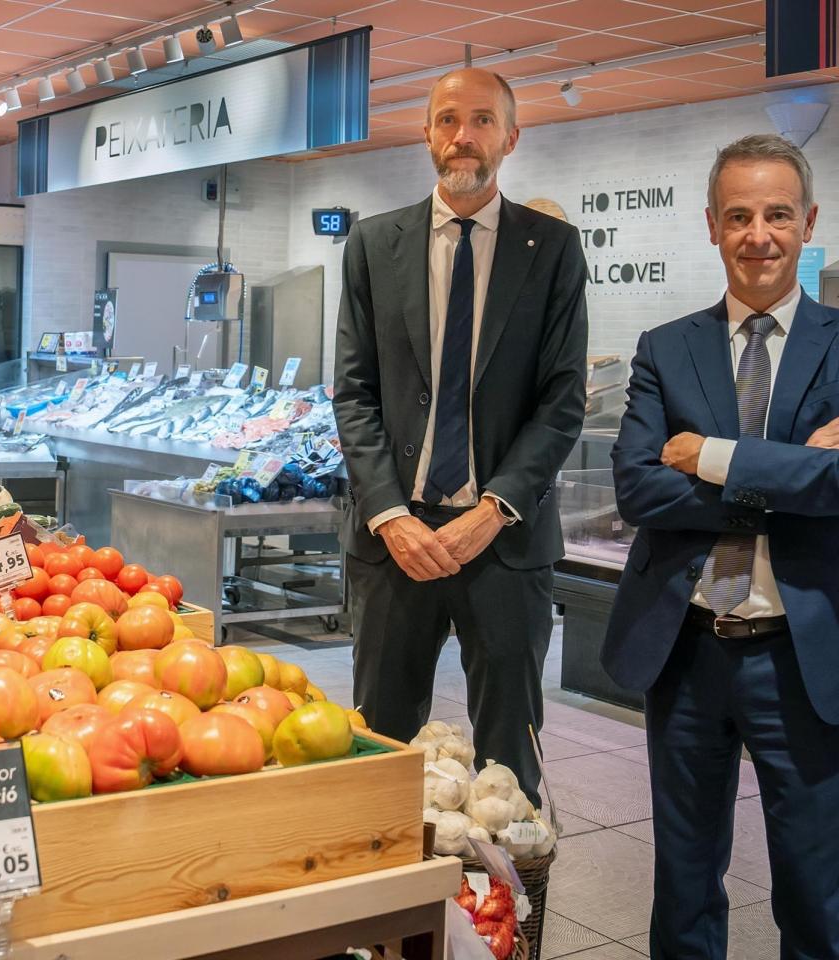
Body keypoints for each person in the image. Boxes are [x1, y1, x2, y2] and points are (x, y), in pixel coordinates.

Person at [603, 134, 839, 958]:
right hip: (686, 652)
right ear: (711, 226)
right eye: (739, 216)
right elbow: (638, 489)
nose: (757, 234)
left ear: (808, 222)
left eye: (776, 214)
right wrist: (797, 471)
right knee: (685, 892)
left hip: (806, 659)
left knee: (814, 898)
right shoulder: (668, 347)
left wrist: (712, 456)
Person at [332, 68, 589, 796]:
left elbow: (563, 399)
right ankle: (387, 908)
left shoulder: (554, 251)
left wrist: (494, 507)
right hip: (394, 546)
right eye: (447, 119)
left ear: (511, 136)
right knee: (378, 747)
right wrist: (389, 515)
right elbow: (353, 393)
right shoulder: (373, 245)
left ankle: (516, 909)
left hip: (504, 545)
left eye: (481, 120)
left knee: (509, 761)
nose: (462, 136)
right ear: (425, 135)